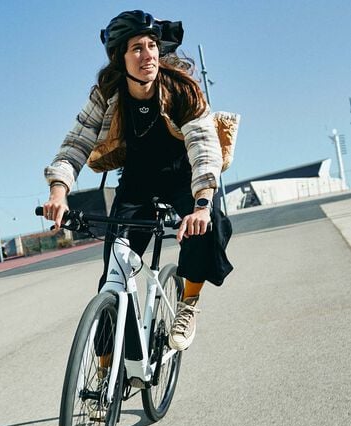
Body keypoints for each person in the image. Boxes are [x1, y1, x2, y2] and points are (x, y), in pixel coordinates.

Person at [42, 10, 234, 351]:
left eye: (151, 46)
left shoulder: (182, 89)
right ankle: (104, 373)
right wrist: (59, 192)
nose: (148, 55)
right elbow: (76, 144)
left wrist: (202, 204)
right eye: (136, 49)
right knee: (113, 275)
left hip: (183, 175)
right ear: (120, 57)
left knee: (211, 223)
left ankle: (188, 302)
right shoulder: (107, 94)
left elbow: (204, 148)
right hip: (137, 182)